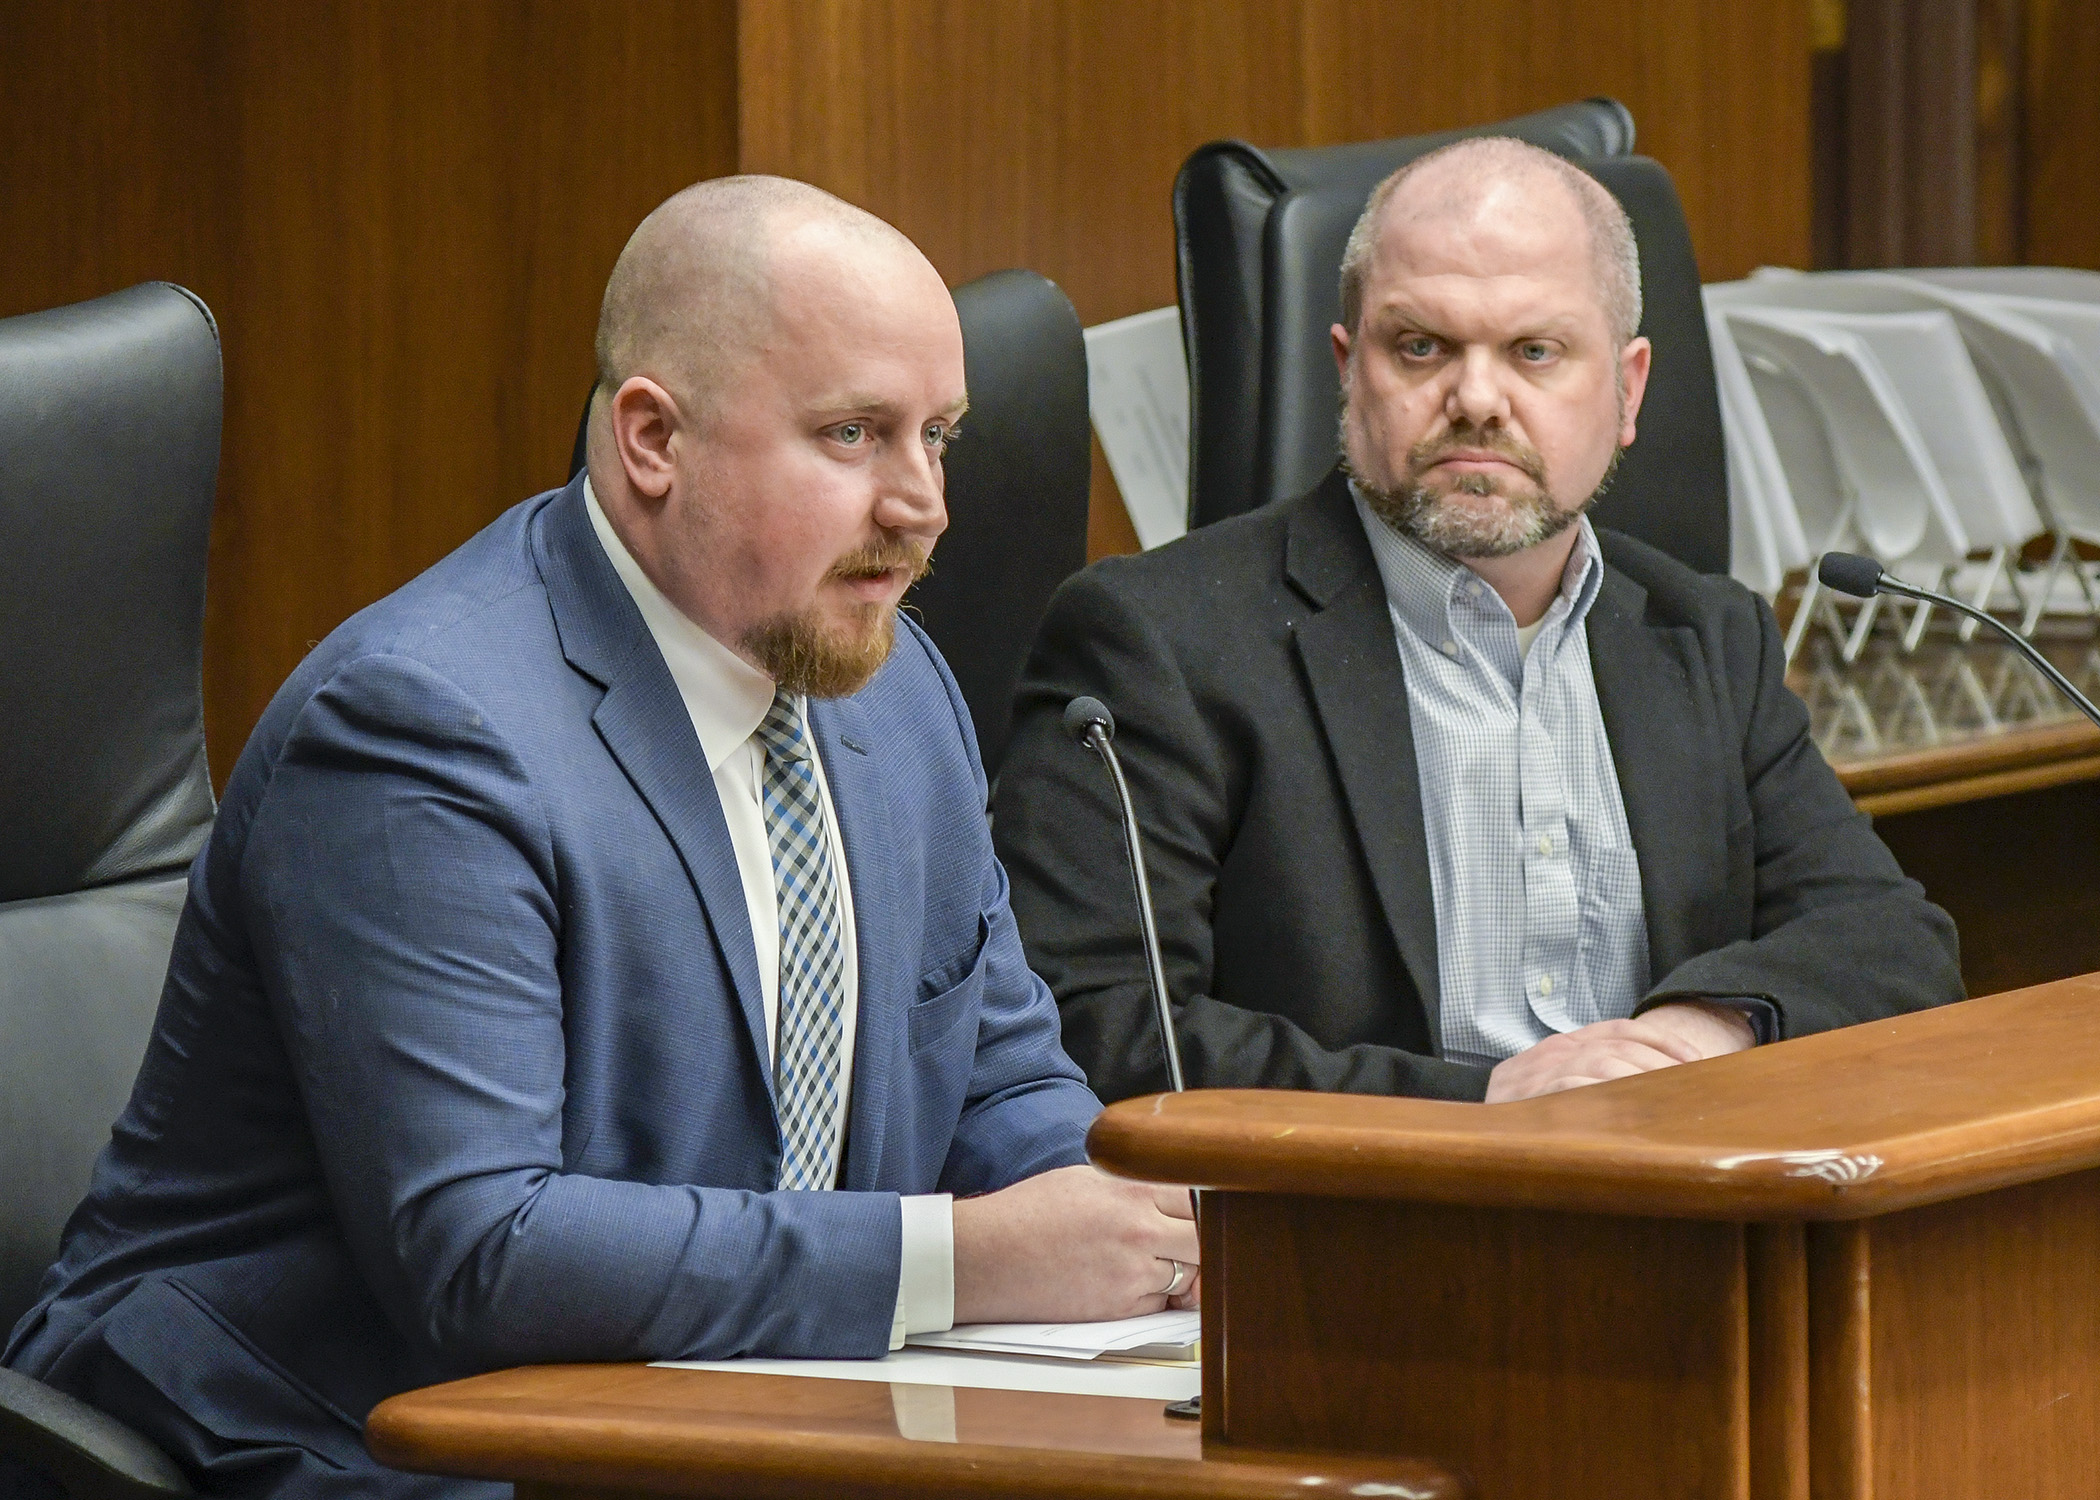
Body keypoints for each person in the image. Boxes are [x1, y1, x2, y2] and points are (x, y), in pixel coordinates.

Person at [5, 176, 1196, 1498]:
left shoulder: (897, 688)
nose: (924, 507)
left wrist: (1148, 1243)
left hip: (724, 1407)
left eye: (940, 438)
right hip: (326, 1424)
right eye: (855, 435)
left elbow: (998, 1082)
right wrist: (968, 1264)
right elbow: (483, 1252)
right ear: (650, 441)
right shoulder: (423, 731)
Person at [993, 138, 1963, 1107]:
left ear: (1627, 390)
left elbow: (1891, 939)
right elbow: (1100, 1025)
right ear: (1347, 368)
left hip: (1694, 1206)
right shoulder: (1155, 642)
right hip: (1358, 1235)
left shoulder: (1706, 635)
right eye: (1421, 348)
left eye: (1535, 352)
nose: (1477, 400)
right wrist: (1487, 1105)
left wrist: (1695, 1030)